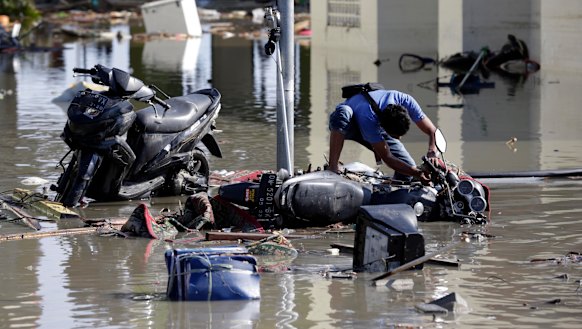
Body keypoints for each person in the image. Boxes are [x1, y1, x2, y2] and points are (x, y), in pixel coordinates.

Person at [327, 88, 439, 181]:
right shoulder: (368, 118)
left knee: (407, 169)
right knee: (344, 112)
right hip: (350, 124)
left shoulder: (406, 100)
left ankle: (390, 188)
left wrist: (432, 152)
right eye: (396, 135)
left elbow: (433, 130)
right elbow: (388, 158)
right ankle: (333, 167)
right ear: (383, 127)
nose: (399, 138)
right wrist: (417, 173)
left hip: (376, 123)